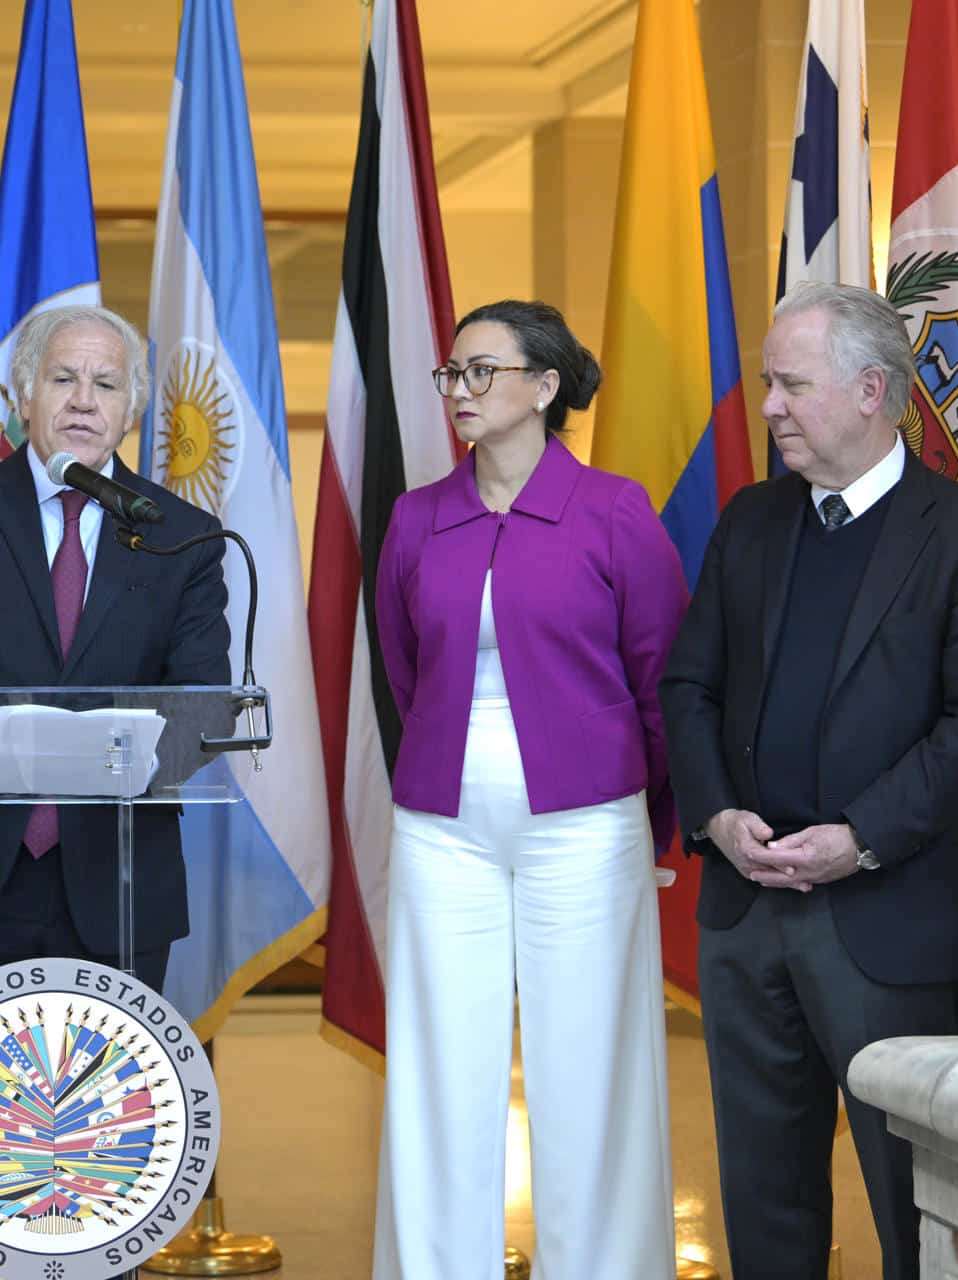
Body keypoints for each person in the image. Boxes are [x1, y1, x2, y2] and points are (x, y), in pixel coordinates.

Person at [660, 281, 958, 1280]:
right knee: (764, 1199)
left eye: (790, 384)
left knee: (913, 1202)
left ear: (871, 390)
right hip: (748, 910)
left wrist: (856, 834)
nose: (769, 405)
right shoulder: (750, 519)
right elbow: (688, 682)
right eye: (768, 384)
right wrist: (717, 814)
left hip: (889, 914)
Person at [0, 304, 230, 1280]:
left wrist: (121, 755)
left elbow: (201, 707)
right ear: (24, 392)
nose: (83, 399)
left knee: (96, 1163)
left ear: (134, 406)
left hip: (111, 888)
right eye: (64, 377)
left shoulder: (186, 540)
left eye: (106, 383)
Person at [371, 300, 688, 1278]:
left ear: (546, 386)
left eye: (482, 371)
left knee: (589, 1066)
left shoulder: (617, 511)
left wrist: (657, 825)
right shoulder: (417, 515)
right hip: (441, 822)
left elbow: (662, 680)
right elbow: (401, 667)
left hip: (588, 821)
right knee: (435, 1067)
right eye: (451, 374)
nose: (460, 391)